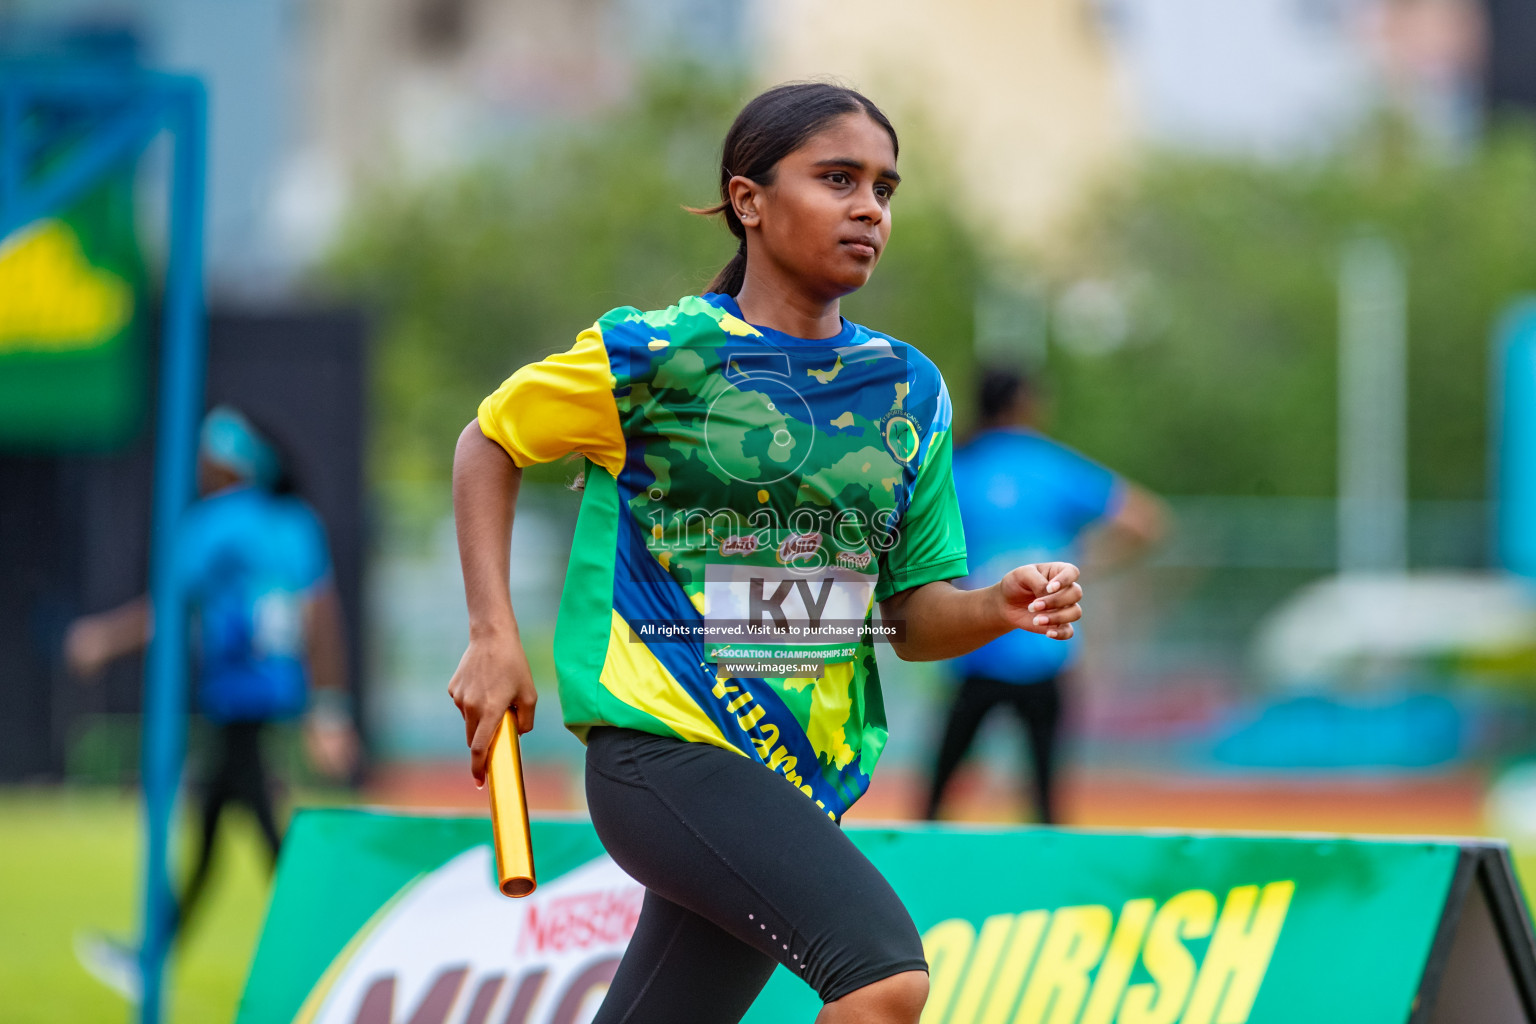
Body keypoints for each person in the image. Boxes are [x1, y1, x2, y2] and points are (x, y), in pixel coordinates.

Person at [449, 83, 1084, 1024]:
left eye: (884, 187)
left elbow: (911, 617)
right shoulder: (654, 354)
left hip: (797, 776)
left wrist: (997, 605)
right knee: (882, 978)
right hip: (663, 751)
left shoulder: (910, 389)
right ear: (748, 200)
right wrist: (492, 634)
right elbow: (489, 442)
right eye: (839, 179)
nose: (870, 207)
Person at [65, 405, 356, 979]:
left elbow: (168, 612)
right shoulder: (296, 520)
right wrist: (329, 708)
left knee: (259, 825)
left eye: (205, 458)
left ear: (228, 465)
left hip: (237, 693)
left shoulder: (213, 521)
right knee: (216, 825)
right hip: (277, 692)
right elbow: (323, 619)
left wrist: (101, 639)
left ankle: (333, 945)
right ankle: (153, 956)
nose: (197, 469)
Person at [923, 366, 1166, 825]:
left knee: (939, 791)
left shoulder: (958, 466)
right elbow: (1145, 520)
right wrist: (1084, 564)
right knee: (1046, 800)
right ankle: (1048, 891)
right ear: (1026, 403)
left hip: (975, 645)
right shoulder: (1052, 465)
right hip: (1045, 646)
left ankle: (917, 877)